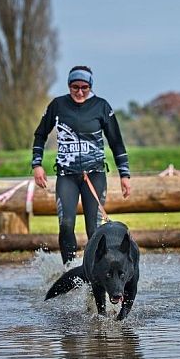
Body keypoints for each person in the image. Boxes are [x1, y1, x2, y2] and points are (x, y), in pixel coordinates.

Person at [32, 66, 131, 264]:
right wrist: (37, 164)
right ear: (69, 85)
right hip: (66, 176)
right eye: (74, 87)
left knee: (94, 229)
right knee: (66, 224)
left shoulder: (102, 107)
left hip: (94, 175)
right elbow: (40, 134)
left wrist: (124, 175)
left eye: (84, 87)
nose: (79, 92)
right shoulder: (57, 105)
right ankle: (69, 269)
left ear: (90, 86)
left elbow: (116, 142)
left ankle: (94, 270)